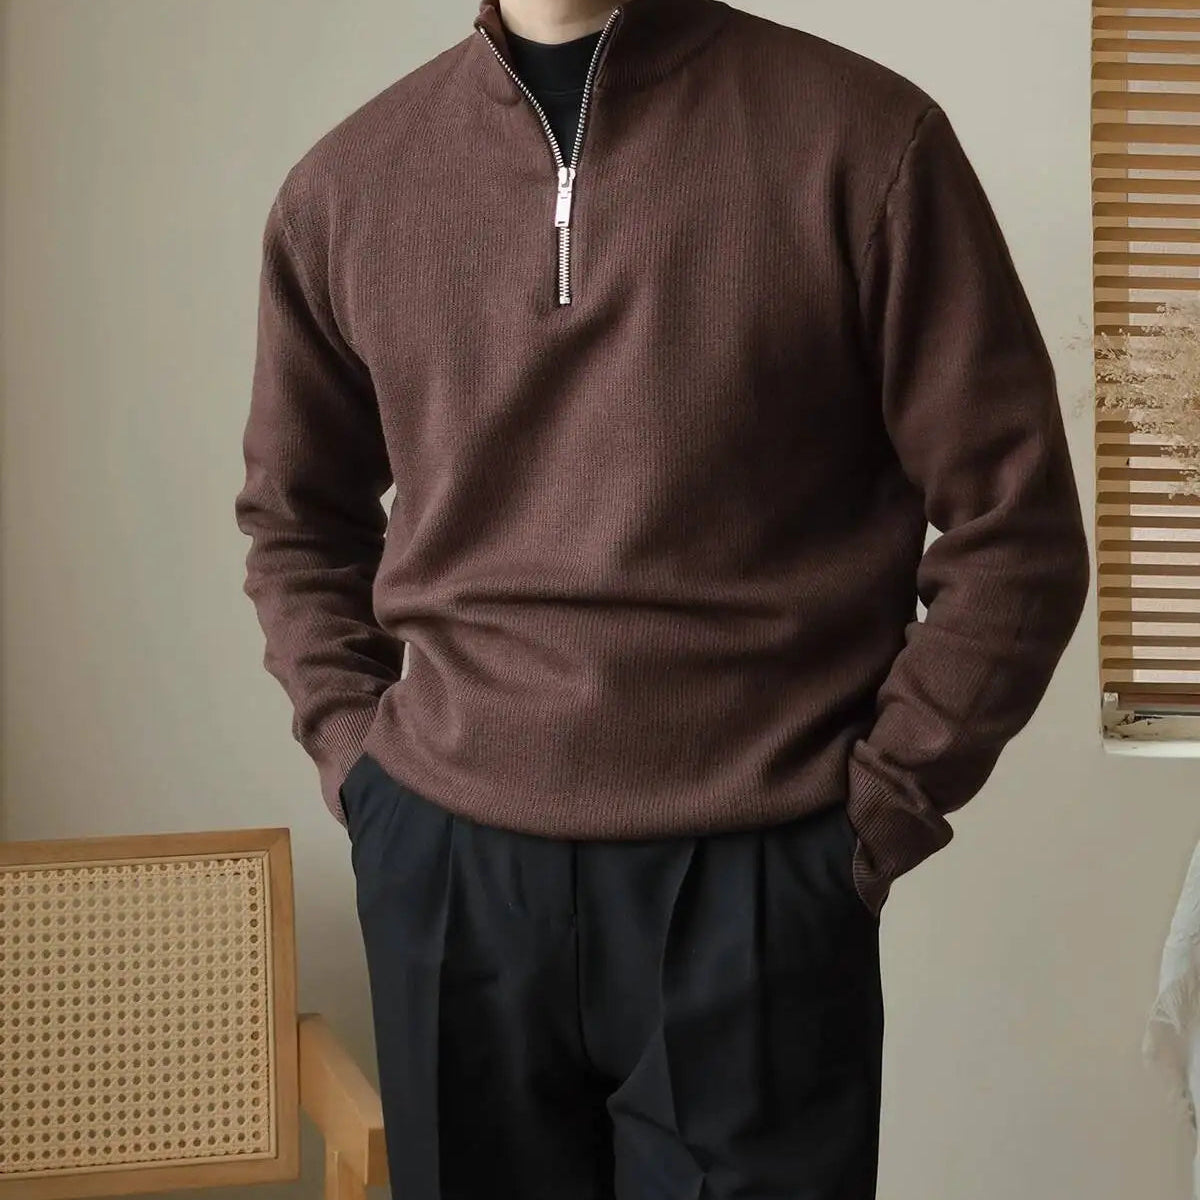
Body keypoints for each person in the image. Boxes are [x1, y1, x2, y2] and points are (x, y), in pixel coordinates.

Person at [233, 0, 1091, 1195]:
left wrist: (879, 808)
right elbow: (294, 521)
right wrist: (360, 765)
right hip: (449, 870)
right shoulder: (346, 186)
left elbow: (1017, 531)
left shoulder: (864, 141)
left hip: (759, 871)